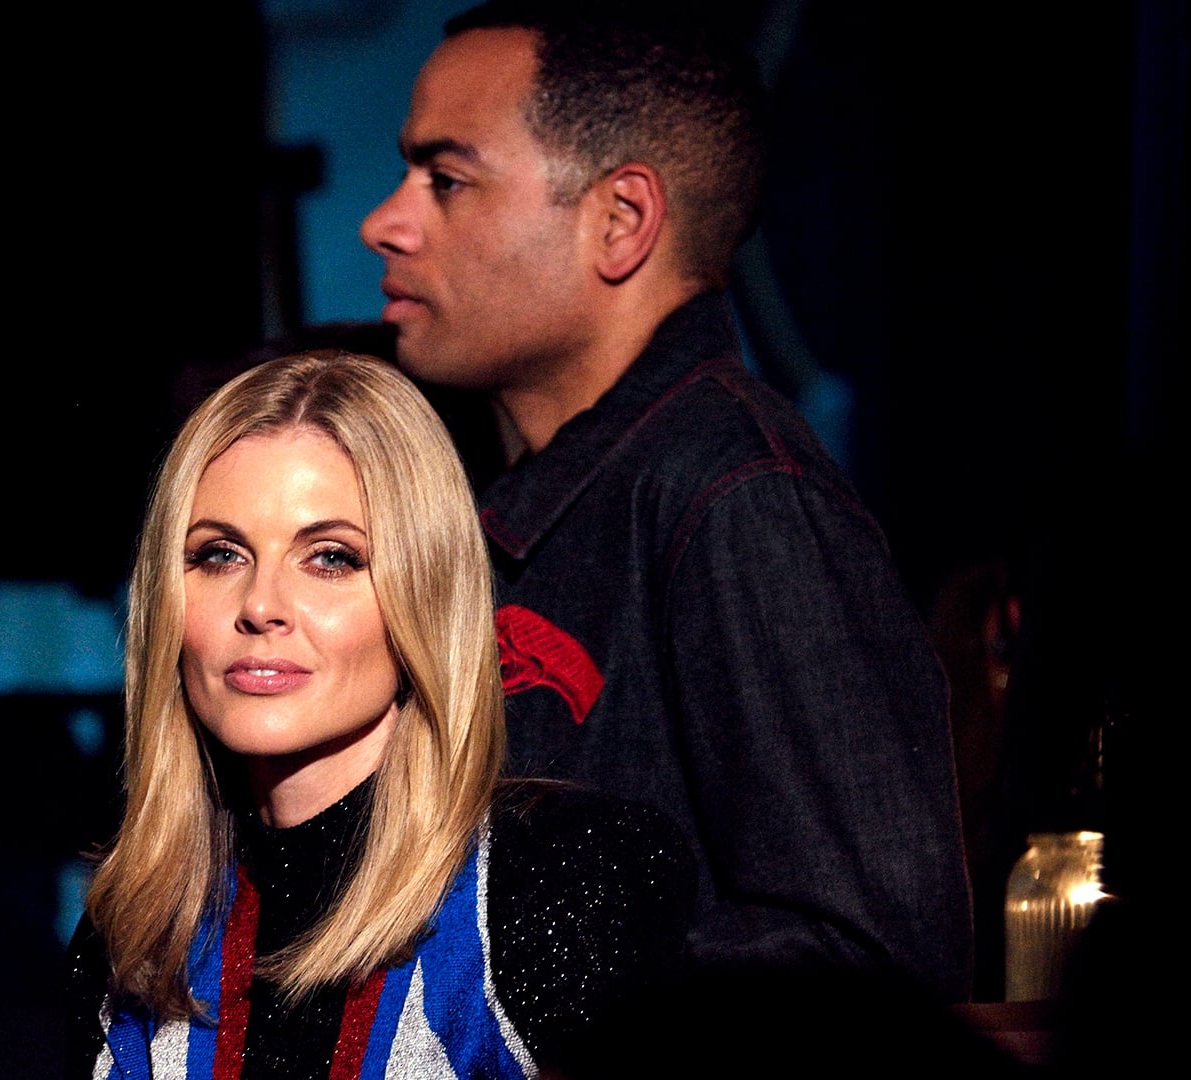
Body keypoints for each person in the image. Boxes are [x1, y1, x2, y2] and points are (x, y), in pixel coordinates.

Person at [358, 1, 973, 1001]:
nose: (384, 221)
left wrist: (510, 1003)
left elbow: (876, 967)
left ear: (621, 220)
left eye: (447, 179)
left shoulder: (739, 498)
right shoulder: (525, 497)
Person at [65, 350, 694, 1078]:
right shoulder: (132, 934)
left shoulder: (562, 877)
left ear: (425, 592)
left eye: (331, 558)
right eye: (220, 555)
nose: (260, 605)